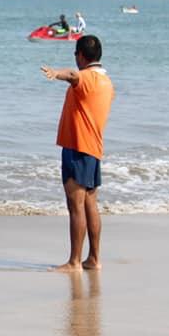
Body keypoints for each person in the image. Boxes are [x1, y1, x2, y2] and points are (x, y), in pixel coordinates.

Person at [40, 35, 114, 273]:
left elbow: (73, 76)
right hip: (93, 148)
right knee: (90, 203)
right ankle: (93, 258)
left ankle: (74, 262)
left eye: (75, 54)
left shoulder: (87, 78)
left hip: (78, 147)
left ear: (81, 55)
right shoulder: (106, 82)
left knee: (76, 205)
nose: (75, 58)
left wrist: (55, 73)